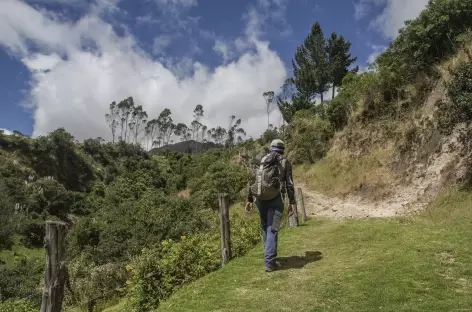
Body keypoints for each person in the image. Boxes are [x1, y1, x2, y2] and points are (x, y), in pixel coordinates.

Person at [245, 139, 296, 272]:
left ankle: (269, 257)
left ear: (271, 148)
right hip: (276, 200)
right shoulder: (285, 162)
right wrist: (292, 202)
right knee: (272, 229)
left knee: (264, 227)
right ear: (282, 149)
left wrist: (249, 200)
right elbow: (289, 184)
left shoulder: (263, 160)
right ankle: (270, 263)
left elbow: (252, 180)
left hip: (259, 199)